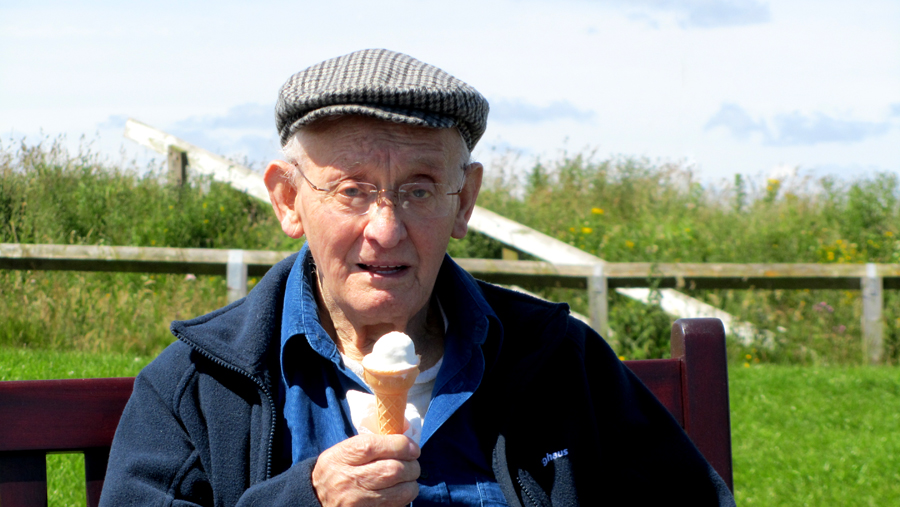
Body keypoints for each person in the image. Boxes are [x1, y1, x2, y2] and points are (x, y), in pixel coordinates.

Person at [101, 49, 735, 506]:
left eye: (420, 190)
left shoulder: (557, 363)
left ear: (464, 202)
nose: (386, 229)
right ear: (289, 199)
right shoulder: (199, 385)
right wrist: (304, 500)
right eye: (352, 191)